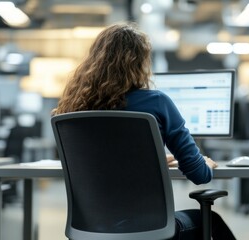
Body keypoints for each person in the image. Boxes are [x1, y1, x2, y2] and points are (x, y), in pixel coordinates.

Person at [52, 22, 236, 240]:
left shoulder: (73, 108)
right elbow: (199, 175)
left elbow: (100, 161)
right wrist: (205, 163)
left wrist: (150, 160)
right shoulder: (156, 102)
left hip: (91, 228)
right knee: (211, 221)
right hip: (151, 229)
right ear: (139, 63)